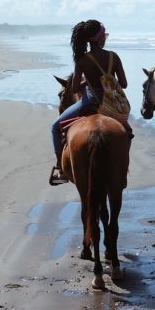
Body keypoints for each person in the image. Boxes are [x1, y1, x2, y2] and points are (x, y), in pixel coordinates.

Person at [49, 19, 129, 185]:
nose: (105, 38)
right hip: (111, 105)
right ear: (100, 38)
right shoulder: (114, 56)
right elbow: (124, 84)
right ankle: (121, 170)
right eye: (104, 34)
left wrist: (88, 81)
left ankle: (62, 169)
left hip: (89, 102)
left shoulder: (82, 60)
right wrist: (107, 79)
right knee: (126, 132)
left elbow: (75, 89)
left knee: (55, 127)